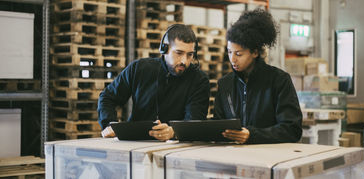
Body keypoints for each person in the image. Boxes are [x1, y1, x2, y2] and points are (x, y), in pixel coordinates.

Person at [98, 24, 210, 141]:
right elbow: (107, 97)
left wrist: (173, 132)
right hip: (134, 142)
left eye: (190, 55)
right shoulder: (139, 68)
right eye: (179, 53)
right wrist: (109, 124)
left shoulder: (199, 80)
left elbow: (194, 122)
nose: (184, 61)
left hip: (175, 146)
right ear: (164, 49)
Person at [214, 8, 303, 144]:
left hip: (270, 157)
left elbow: (292, 129)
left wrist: (252, 135)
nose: (232, 59)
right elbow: (218, 125)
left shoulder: (279, 81)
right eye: (229, 52)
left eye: (239, 54)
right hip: (232, 157)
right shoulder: (225, 84)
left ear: (255, 52)